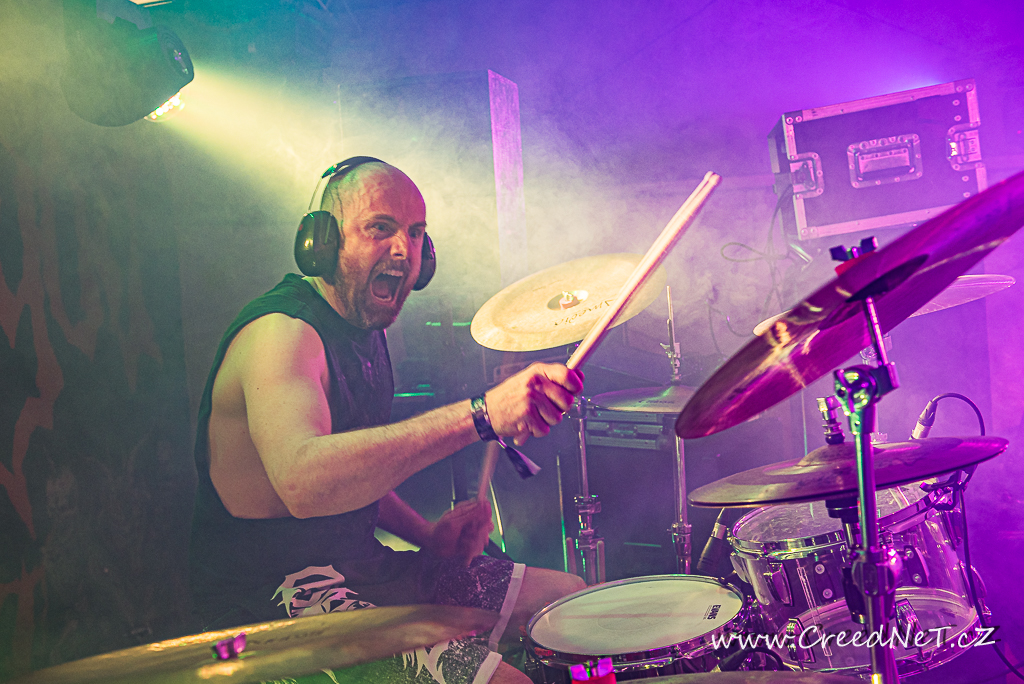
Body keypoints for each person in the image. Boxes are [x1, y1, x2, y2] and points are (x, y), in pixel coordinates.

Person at [189, 159, 587, 684]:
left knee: (569, 606)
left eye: (416, 233)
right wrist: (482, 414)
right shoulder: (282, 335)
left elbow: (353, 475)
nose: (404, 249)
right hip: (275, 598)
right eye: (380, 228)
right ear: (323, 243)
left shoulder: (364, 329)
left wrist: (427, 537)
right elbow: (305, 482)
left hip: (362, 568)